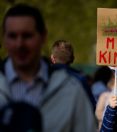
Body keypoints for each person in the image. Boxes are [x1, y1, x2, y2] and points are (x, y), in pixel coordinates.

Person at [0, 4, 96, 132]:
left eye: (27, 36)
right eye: (12, 36)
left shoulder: (71, 90)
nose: (19, 44)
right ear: (4, 39)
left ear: (43, 36)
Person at [50, 39, 96, 110]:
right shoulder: (80, 80)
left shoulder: (43, 77)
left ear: (52, 58)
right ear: (72, 59)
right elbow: (91, 107)